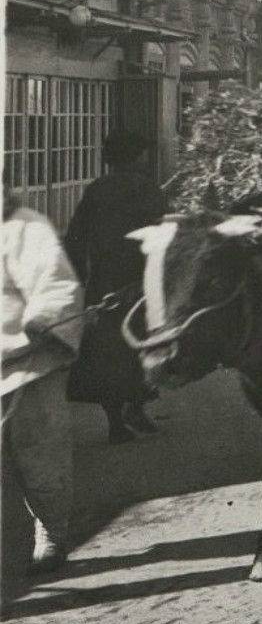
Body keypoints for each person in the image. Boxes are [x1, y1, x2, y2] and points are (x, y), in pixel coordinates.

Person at [63, 130, 167, 443]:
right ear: (135, 157)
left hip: (105, 282)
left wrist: (79, 279)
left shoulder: (97, 189)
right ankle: (136, 406)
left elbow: (75, 238)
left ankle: (116, 423)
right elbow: (164, 234)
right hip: (141, 281)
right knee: (144, 344)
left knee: (106, 353)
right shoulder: (147, 189)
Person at [2, 189, 85, 574]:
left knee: (40, 455)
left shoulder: (24, 228)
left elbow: (56, 286)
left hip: (25, 362)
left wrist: (39, 324)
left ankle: (51, 530)